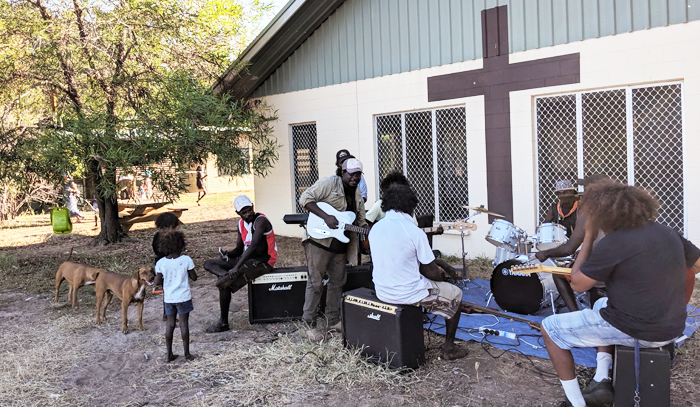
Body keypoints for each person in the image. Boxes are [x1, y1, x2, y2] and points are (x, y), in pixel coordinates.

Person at [541, 180, 700, 407]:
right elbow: (697, 265)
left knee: (550, 329)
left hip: (639, 330)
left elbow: (577, 284)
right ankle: (601, 377)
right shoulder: (668, 232)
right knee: (602, 303)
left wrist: (588, 236)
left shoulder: (614, 242)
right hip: (672, 326)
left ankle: (576, 403)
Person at [369, 183, 468, 360]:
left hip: (382, 290)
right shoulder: (414, 232)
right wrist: (442, 276)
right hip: (407, 293)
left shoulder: (376, 228)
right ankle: (449, 347)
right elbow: (433, 273)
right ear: (411, 206)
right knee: (455, 294)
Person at [299, 157, 367, 341]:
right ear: (342, 172)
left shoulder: (357, 194)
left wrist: (370, 230)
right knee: (315, 282)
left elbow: (360, 220)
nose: (354, 177)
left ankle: (333, 320)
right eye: (351, 174)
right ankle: (308, 324)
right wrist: (326, 216)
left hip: (340, 246)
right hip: (319, 241)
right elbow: (305, 199)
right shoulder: (329, 183)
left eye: (358, 174)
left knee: (338, 281)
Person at [203, 195, 277, 333]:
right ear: (238, 213)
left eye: (249, 209)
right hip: (246, 259)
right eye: (244, 212)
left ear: (253, 206)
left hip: (263, 261)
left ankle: (223, 322)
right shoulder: (241, 224)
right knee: (208, 264)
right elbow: (239, 249)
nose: (248, 213)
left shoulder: (261, 221)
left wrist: (236, 267)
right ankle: (226, 276)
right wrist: (227, 255)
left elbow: (253, 246)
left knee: (223, 284)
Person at [153, 230, 198, 362]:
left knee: (170, 324)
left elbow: (157, 282)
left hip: (169, 298)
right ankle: (187, 354)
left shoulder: (161, 263)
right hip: (183, 297)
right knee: (184, 324)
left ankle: (169, 354)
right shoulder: (186, 260)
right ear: (181, 245)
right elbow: (194, 277)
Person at [152, 212, 182, 319]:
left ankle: (167, 312)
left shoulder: (156, 236)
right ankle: (169, 313)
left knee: (167, 289)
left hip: (160, 265)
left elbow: (155, 250)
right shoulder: (174, 237)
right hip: (172, 265)